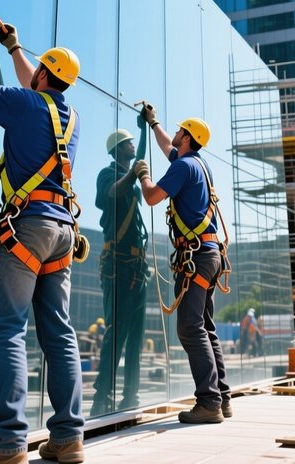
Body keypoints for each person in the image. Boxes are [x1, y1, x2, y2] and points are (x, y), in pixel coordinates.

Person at [0, 22, 84, 464]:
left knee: (4, 329)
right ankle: (67, 438)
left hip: (27, 227)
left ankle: (6, 442)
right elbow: (38, 82)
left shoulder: (25, 104)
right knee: (59, 333)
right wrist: (14, 47)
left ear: (42, 76)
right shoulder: (70, 117)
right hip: (61, 232)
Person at [134, 106, 232, 424]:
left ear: (187, 137)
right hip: (209, 254)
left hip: (197, 257)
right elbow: (167, 145)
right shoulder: (198, 165)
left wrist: (143, 174)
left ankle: (209, 403)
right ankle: (222, 398)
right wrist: (154, 124)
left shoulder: (183, 166)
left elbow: (151, 197)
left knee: (190, 328)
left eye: (179, 132)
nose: (174, 136)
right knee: (205, 327)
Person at [91, 121, 150, 415]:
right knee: (116, 332)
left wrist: (144, 129)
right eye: (127, 142)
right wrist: (134, 173)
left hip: (137, 267)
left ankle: (131, 397)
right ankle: (101, 398)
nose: (131, 147)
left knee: (136, 338)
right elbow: (112, 194)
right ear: (117, 149)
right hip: (118, 265)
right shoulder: (108, 174)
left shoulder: (130, 174)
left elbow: (138, 160)